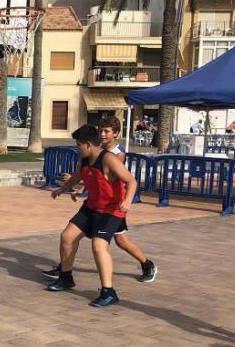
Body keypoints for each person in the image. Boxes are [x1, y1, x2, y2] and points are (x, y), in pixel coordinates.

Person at [44, 115, 157, 283]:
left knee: (120, 242)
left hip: (113, 207)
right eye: (101, 131)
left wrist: (127, 201)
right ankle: (64, 270)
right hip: (95, 204)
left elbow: (115, 179)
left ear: (116, 134)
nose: (103, 134)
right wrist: (73, 188)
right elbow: (89, 174)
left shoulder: (116, 156)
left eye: (107, 131)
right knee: (73, 237)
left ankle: (147, 264)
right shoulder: (90, 153)